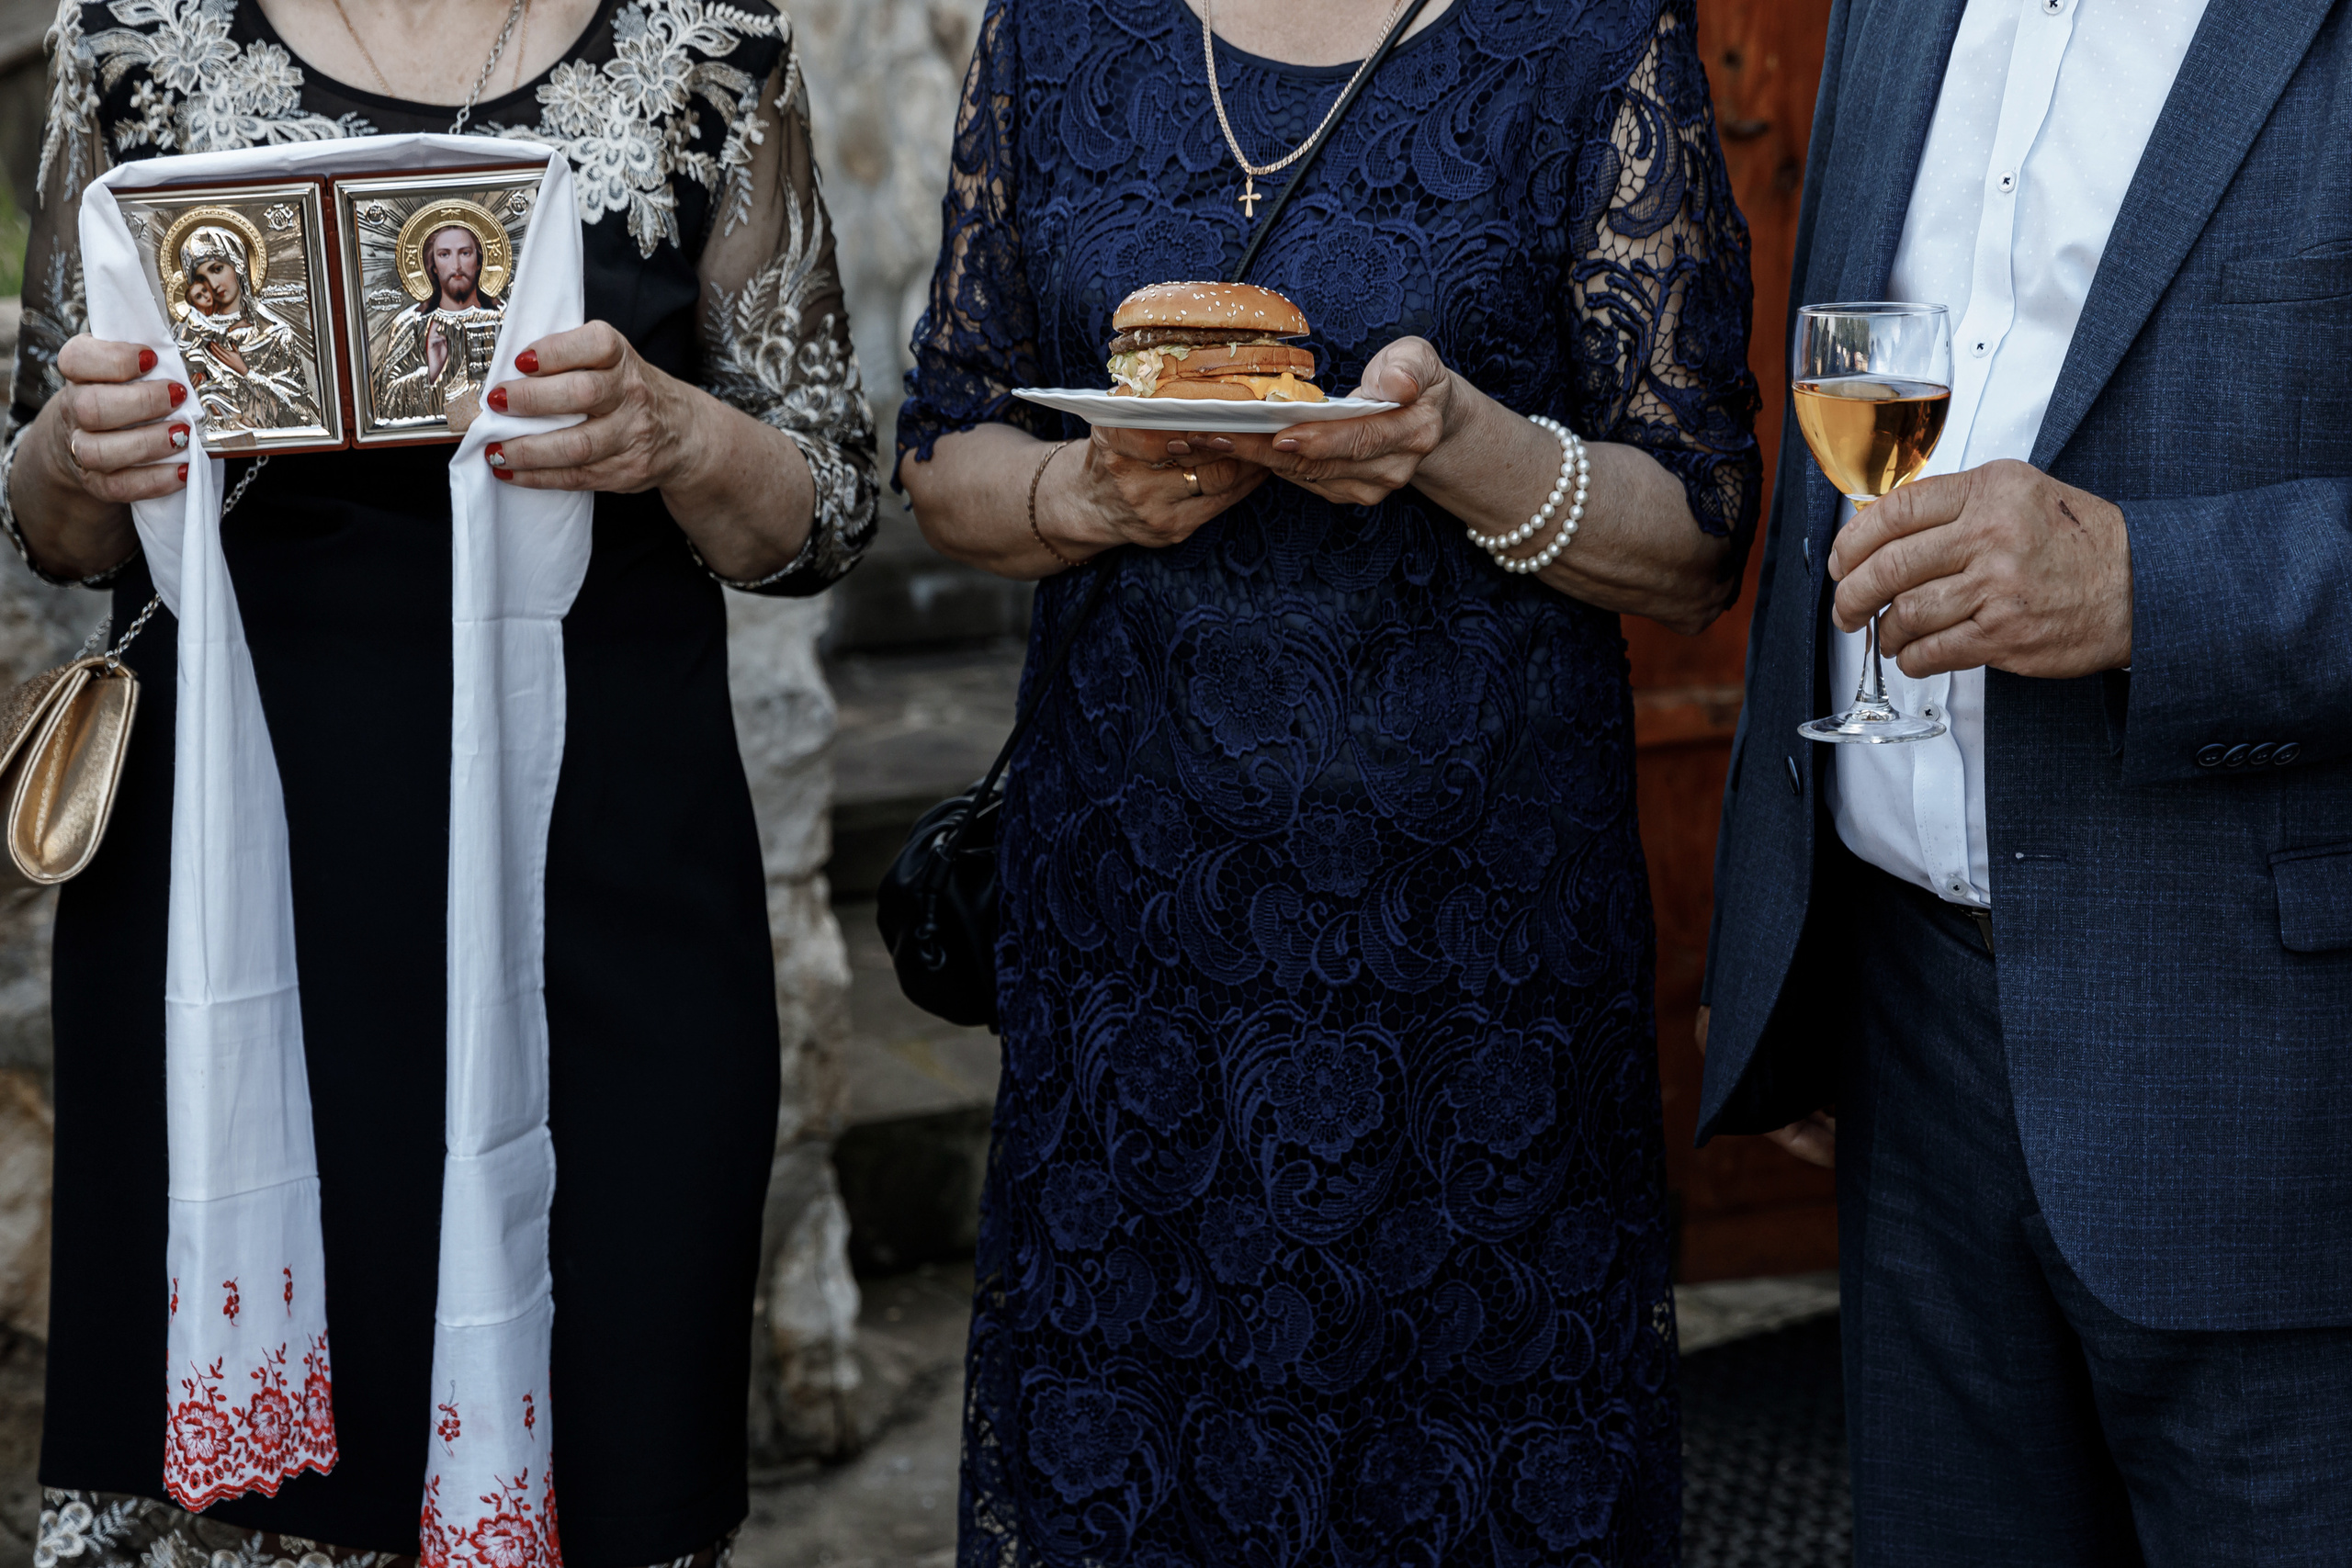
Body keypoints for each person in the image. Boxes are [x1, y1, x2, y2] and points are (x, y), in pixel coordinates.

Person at [6, 0, 875, 1562]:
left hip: (597, 873)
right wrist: (81, 449)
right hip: (234, 879)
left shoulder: (711, 52)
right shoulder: (133, 37)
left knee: (610, 1424)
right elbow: (51, 513)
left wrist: (671, 428)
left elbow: (820, 512)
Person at [897, 0, 1759, 1557]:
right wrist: (1080, 488)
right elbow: (946, 446)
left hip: (1477, 992)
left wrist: (1458, 444)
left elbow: (1695, 534)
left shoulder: (1589, 41)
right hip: (1131, 977)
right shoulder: (1056, 37)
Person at [1699, 0, 2352, 1559]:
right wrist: (1791, 952)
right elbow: (1844, 458)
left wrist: (2147, 580)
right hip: (1910, 1035)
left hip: (2269, 1075)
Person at [170, 223, 321, 435]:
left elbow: (300, 417)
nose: (213, 284)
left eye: (217, 269)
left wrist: (246, 372)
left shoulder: (276, 335)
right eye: (202, 279)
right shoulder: (190, 334)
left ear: (238, 264)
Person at [376, 216, 506, 421]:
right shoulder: (411, 325)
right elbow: (386, 402)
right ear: (433, 265)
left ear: (479, 261)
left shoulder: (504, 320)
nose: (456, 265)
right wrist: (430, 373)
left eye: (465, 253)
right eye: (444, 255)